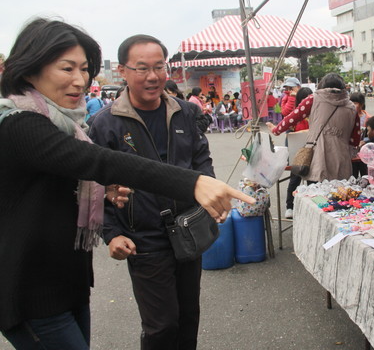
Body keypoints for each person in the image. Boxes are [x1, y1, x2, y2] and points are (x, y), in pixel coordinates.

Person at [0, 19, 253, 350]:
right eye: (67, 68)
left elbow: (74, 177)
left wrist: (104, 188)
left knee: (187, 316)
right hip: (34, 291)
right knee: (161, 326)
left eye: (85, 69)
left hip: (71, 283)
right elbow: (100, 163)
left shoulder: (65, 125)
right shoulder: (22, 123)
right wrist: (192, 184)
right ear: (30, 69)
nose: (80, 81)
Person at [89, 34, 239, 350]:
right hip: (143, 237)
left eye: (159, 67)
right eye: (142, 68)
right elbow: (95, 185)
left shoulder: (184, 112)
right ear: (123, 71)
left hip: (188, 229)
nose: (153, 76)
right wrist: (111, 234)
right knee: (161, 326)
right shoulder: (105, 124)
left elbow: (200, 157)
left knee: (188, 318)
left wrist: (209, 194)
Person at [268, 73, 360, 183]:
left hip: (318, 160)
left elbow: (292, 118)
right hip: (342, 162)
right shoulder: (352, 108)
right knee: (338, 198)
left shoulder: (313, 99)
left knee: (316, 197)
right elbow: (355, 140)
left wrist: (276, 130)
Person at [266, 87, 313, 218]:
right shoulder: (296, 116)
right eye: (304, 100)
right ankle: (290, 207)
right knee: (294, 180)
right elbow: (287, 127)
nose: (307, 103)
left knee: (313, 182)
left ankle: (312, 210)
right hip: (297, 155)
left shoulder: (316, 116)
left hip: (314, 155)